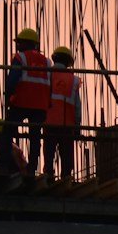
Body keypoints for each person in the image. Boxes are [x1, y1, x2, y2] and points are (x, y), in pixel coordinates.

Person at [0, 28, 50, 174]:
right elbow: (50, 84)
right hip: (40, 105)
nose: (18, 45)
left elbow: (12, 80)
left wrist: (8, 96)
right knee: (35, 136)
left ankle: (3, 165)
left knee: (7, 130)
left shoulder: (20, 58)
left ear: (26, 43)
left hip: (22, 102)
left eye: (20, 42)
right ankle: (32, 167)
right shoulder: (46, 61)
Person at [42, 46, 82, 180]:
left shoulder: (46, 75)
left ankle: (48, 174)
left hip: (48, 121)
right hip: (67, 124)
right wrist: (77, 126)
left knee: (49, 152)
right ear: (68, 62)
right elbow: (77, 107)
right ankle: (66, 177)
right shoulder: (74, 80)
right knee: (66, 154)